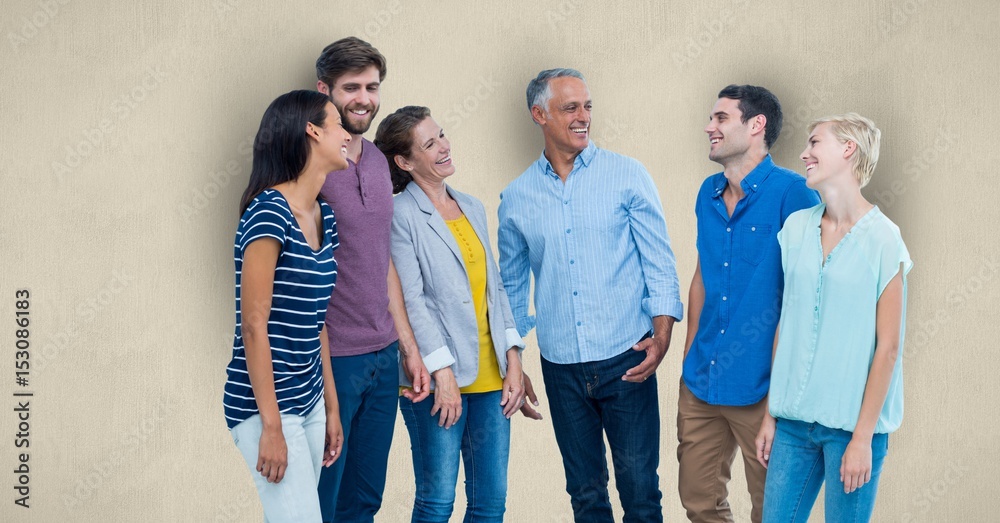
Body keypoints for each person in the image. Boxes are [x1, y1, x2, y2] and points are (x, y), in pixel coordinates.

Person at [498, 68, 683, 522]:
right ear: (539, 114)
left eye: (587, 106)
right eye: (570, 108)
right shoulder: (517, 197)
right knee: (585, 494)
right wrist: (513, 361)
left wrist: (661, 336)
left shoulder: (627, 175)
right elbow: (512, 288)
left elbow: (659, 263)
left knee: (641, 492)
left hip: (628, 357)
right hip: (561, 367)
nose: (583, 117)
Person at [376, 105, 541, 523]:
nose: (444, 146)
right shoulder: (399, 214)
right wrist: (441, 373)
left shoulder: (471, 205)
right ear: (405, 161)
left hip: (492, 378)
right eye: (430, 144)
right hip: (434, 379)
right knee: (437, 502)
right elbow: (411, 299)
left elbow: (496, 289)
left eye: (442, 135)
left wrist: (515, 359)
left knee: (490, 504)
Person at [757, 113, 911, 522]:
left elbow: (889, 347)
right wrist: (771, 414)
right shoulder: (794, 229)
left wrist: (862, 438)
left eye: (814, 143)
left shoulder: (883, 239)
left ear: (848, 149)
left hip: (852, 430)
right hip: (791, 425)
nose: (804, 154)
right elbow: (785, 325)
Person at [677, 85, 820, 523]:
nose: (709, 127)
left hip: (764, 387)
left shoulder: (795, 195)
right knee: (699, 504)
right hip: (702, 381)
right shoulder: (707, 192)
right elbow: (702, 276)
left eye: (721, 118)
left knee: (771, 511)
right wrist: (687, 357)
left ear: (756, 125)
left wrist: (785, 386)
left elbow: (808, 295)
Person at [312, 37, 431, 523]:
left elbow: (383, 260)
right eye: (351, 87)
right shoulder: (310, 163)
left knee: (365, 500)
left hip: (382, 357)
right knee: (322, 499)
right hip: (333, 360)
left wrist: (408, 347)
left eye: (372, 86)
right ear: (325, 90)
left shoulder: (380, 163)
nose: (364, 98)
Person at [223, 90, 352, 522]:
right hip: (264, 407)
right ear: (312, 131)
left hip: (309, 398)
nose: (347, 134)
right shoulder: (268, 214)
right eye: (337, 122)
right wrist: (272, 427)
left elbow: (318, 323)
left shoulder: (323, 216)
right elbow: (254, 327)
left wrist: (331, 409)